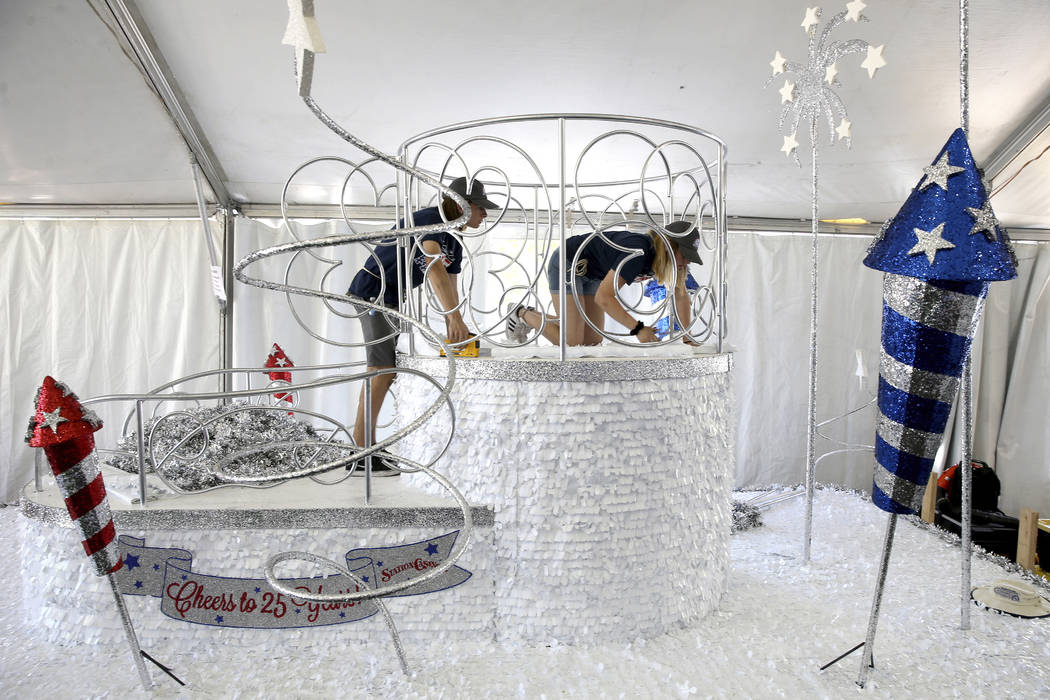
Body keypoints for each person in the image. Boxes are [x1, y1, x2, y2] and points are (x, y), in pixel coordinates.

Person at [347, 176, 498, 474]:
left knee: (385, 371)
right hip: (371, 294)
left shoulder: (453, 237)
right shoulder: (429, 221)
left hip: (390, 299)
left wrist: (457, 323)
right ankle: (361, 452)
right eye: (480, 208)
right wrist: (452, 317)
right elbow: (433, 266)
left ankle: (364, 448)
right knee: (381, 371)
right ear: (462, 204)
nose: (485, 214)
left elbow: (450, 283)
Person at [506, 221, 702, 346]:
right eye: (685, 255)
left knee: (592, 340)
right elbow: (604, 297)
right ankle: (519, 313)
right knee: (570, 341)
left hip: (594, 273)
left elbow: (681, 295)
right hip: (569, 261)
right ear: (668, 247)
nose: (688, 261)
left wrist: (687, 338)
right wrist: (638, 328)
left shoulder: (674, 263)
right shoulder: (638, 251)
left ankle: (530, 312)